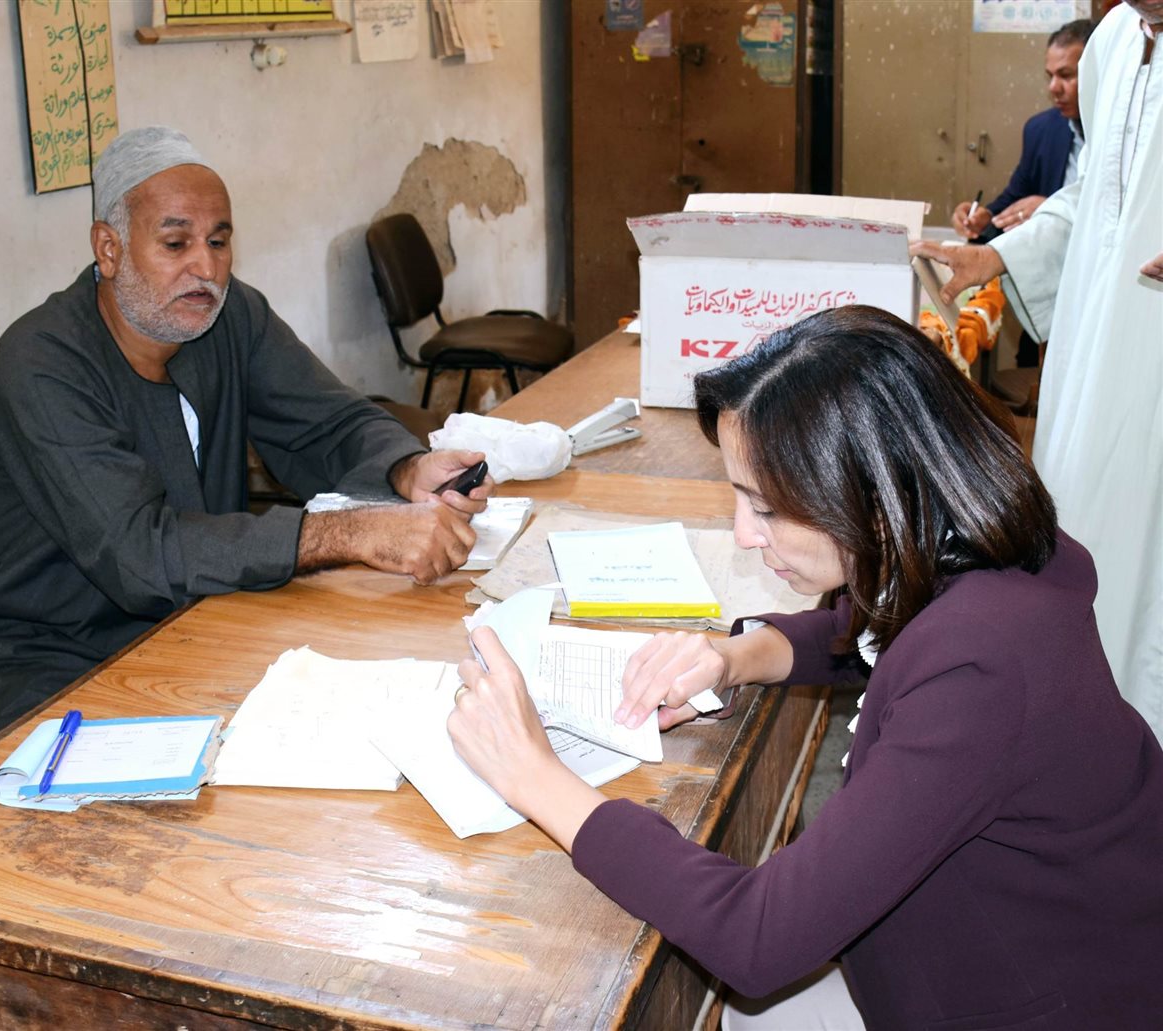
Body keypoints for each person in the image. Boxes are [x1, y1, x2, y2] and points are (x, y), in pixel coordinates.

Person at [447, 306, 1163, 1029]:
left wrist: (534, 776)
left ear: (877, 496)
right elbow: (878, 632)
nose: (744, 533)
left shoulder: (983, 668)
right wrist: (735, 657)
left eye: (766, 507)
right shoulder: (975, 554)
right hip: (968, 951)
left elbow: (757, 938)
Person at [0, 127, 493, 752]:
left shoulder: (225, 314)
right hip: (34, 659)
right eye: (175, 243)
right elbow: (141, 554)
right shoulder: (40, 365)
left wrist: (405, 467)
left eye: (218, 241)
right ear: (109, 249)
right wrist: (349, 533)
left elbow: (327, 419)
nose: (206, 268)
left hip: (187, 621)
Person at [912, 0, 1163, 743]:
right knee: (1084, 537)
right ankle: (1083, 737)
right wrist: (996, 255)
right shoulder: (1113, 41)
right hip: (1094, 362)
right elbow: (1095, 196)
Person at [951, 20, 1094, 244]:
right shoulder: (1041, 130)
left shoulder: (1131, 134)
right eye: (1050, 76)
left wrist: (1052, 210)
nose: (1053, 88)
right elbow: (1015, 198)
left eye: (1066, 75)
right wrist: (983, 218)